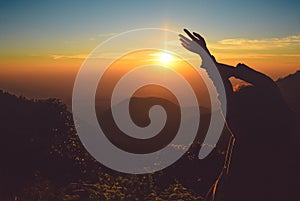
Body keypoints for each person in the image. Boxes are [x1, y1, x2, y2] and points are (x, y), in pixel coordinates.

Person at [179, 29, 297, 201]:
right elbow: (269, 86)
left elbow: (223, 90)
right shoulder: (288, 124)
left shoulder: (244, 131)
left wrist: (206, 56)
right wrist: (233, 70)